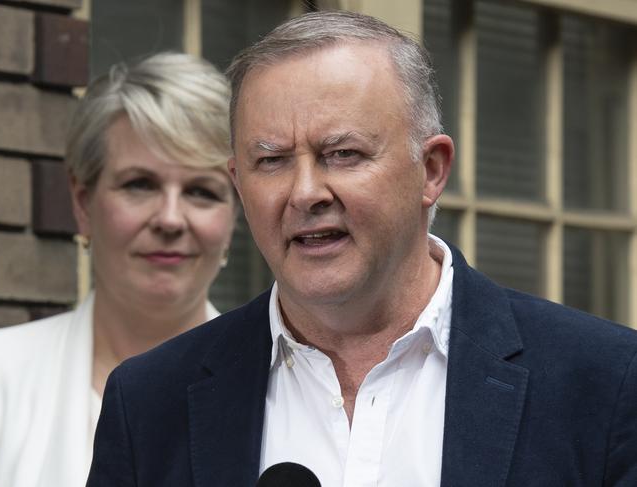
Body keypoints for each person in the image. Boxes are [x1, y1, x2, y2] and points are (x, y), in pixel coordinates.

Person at [86, 11, 637, 487]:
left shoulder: (604, 382)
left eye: (343, 153)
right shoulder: (149, 402)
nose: (304, 193)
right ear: (238, 182)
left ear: (432, 170)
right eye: (271, 161)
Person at [0, 52, 237, 487]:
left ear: (234, 218)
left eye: (202, 191)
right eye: (140, 185)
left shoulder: (277, 391)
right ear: (83, 205)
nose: (171, 219)